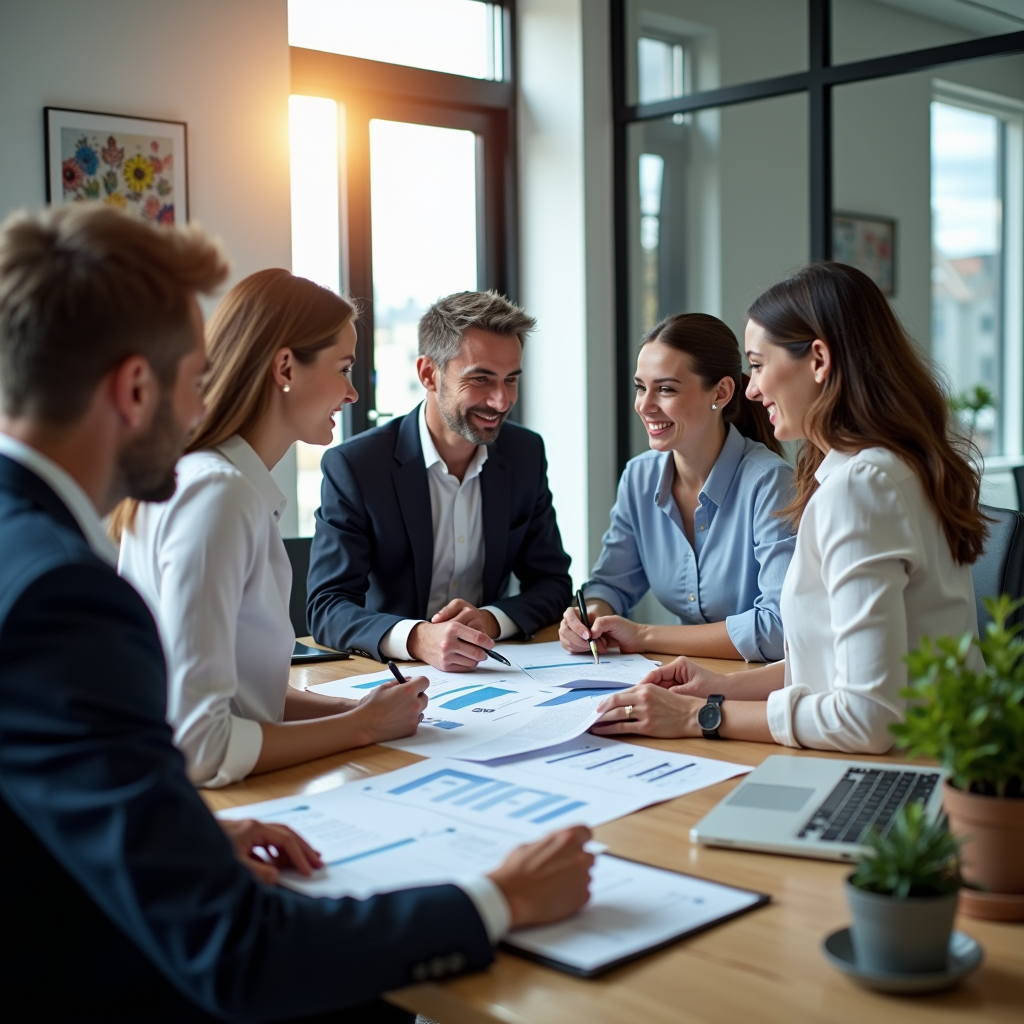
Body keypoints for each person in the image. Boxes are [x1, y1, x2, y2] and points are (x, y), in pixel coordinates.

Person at [0, 205, 593, 1023]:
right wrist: (496, 901)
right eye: (189, 376)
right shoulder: (64, 594)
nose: (197, 405)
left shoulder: (31, 548)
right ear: (137, 387)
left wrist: (192, 843)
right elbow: (237, 947)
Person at [593, 262, 986, 754]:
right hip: (936, 752)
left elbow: (867, 717)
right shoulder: (882, 469)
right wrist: (721, 684)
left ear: (818, 360)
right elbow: (832, 662)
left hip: (913, 768)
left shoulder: (861, 488)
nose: (752, 390)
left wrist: (702, 715)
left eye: (757, 365)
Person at [117, 270, 427, 788]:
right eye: (344, 368)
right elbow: (201, 745)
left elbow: (239, 691)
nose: (352, 393)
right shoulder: (218, 495)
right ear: (285, 365)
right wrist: (361, 726)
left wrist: (361, 710)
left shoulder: (212, 482)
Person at [308, 290, 573, 671]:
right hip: (388, 675)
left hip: (493, 672)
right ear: (428, 374)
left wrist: (490, 620)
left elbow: (552, 583)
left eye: (510, 380)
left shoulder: (525, 454)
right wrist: (418, 638)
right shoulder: (356, 465)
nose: (501, 401)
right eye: (481, 379)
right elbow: (327, 606)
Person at [560, 313, 795, 662]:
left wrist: (643, 635)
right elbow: (611, 583)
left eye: (666, 389)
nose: (644, 405)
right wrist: (590, 614)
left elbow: (779, 629)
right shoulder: (639, 477)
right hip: (681, 677)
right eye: (641, 387)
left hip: (760, 690)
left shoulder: (770, 483)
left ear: (722, 392)